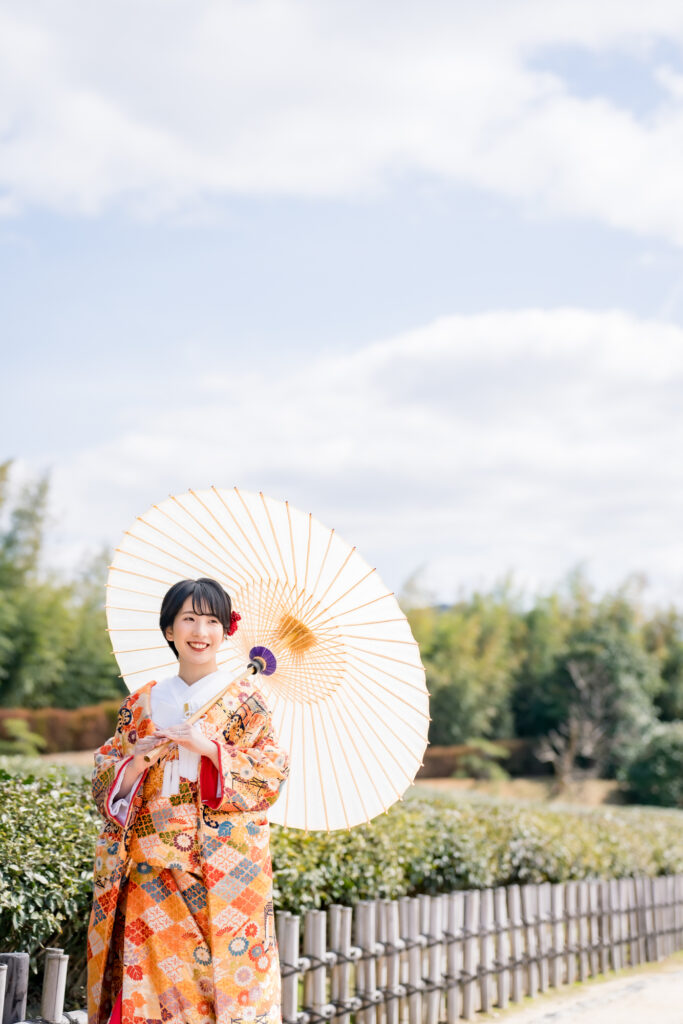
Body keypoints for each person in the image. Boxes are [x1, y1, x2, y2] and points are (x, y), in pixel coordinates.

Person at [87, 577, 290, 1024]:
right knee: (147, 982)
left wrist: (211, 749)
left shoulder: (247, 701)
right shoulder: (143, 703)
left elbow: (270, 774)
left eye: (212, 620)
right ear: (169, 630)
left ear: (226, 631)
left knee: (209, 986)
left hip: (217, 870)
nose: (201, 630)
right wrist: (136, 763)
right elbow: (106, 772)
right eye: (189, 619)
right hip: (147, 863)